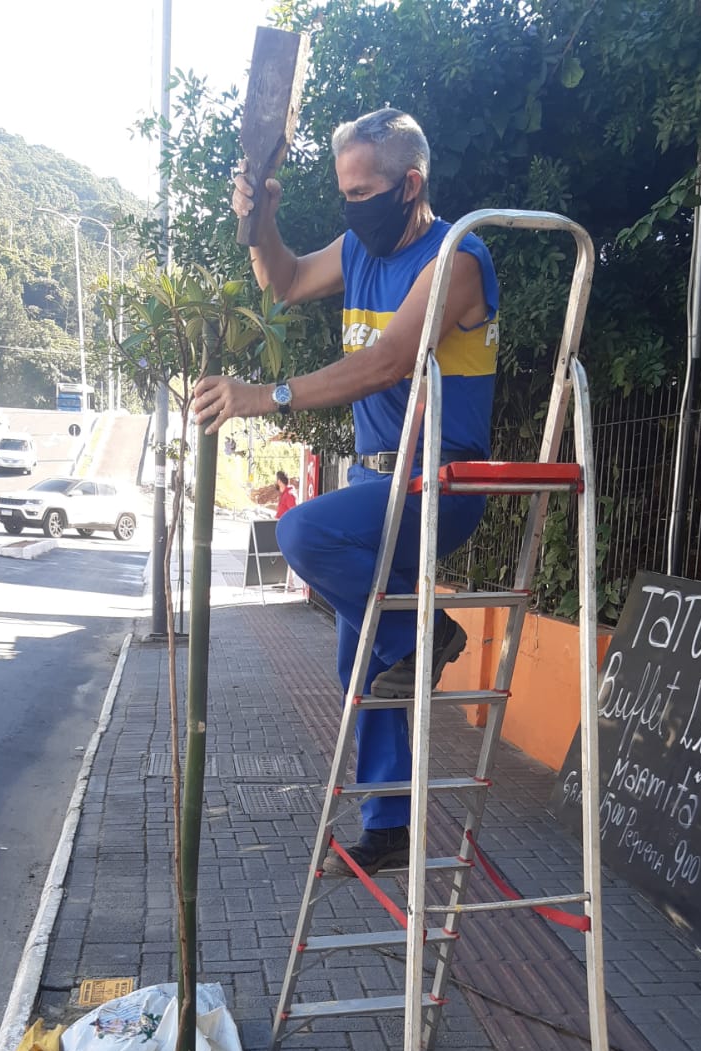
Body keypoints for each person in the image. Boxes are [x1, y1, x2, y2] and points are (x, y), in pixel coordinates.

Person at [194, 107, 499, 875]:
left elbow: (386, 362)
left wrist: (264, 395)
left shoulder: (455, 256)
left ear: (410, 183)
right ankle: (389, 823)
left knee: (302, 534)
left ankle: (425, 634)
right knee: (358, 667)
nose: (351, 203)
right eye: (342, 189)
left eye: (363, 189)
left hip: (439, 479)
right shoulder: (359, 249)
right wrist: (260, 216)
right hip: (377, 478)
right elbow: (285, 278)